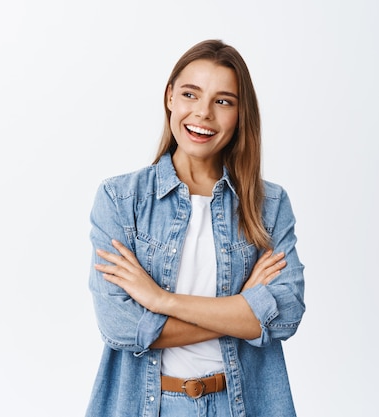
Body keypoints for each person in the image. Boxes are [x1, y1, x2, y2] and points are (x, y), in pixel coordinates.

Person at [85, 39, 305, 417]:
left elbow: (284, 314)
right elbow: (120, 327)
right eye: (191, 94)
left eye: (223, 101)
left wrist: (160, 301)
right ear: (170, 96)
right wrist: (243, 313)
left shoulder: (268, 206)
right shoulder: (121, 200)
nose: (203, 113)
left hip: (240, 405)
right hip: (149, 407)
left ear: (240, 114)